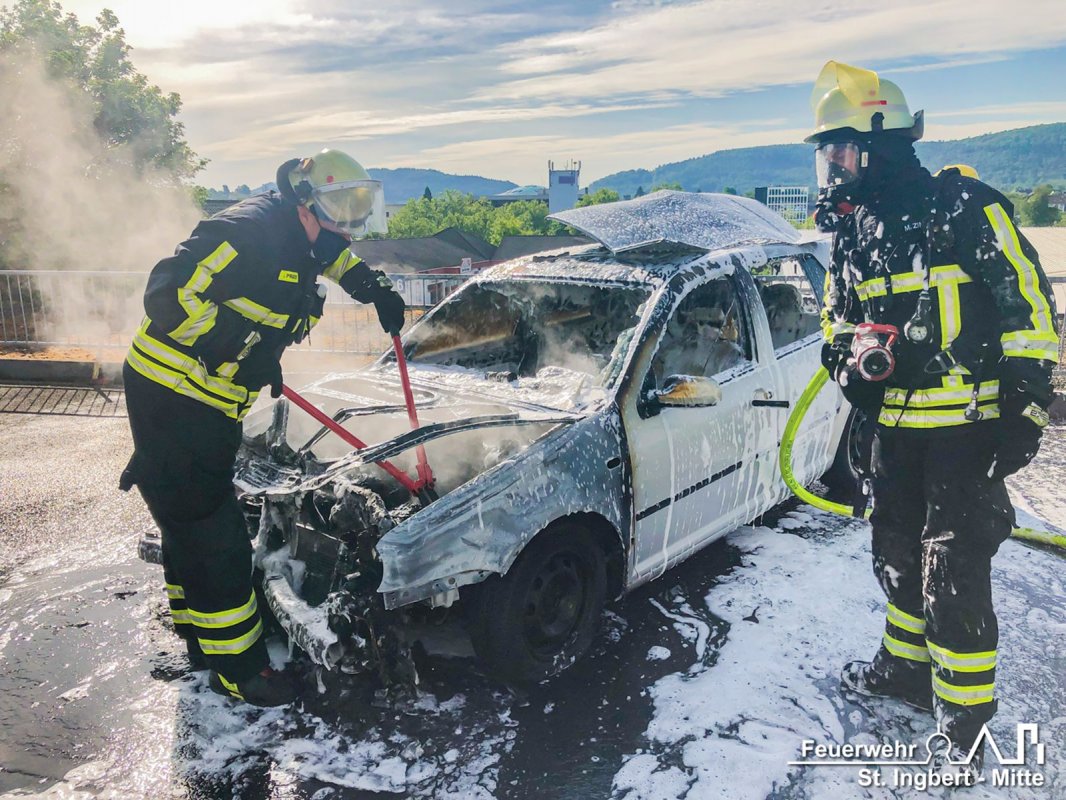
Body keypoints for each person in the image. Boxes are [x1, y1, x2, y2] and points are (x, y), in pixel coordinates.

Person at [810, 61, 1058, 775]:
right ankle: (907, 674)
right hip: (893, 432)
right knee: (894, 557)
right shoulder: (855, 232)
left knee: (953, 572)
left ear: (883, 142)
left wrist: (1026, 410)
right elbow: (835, 321)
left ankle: (965, 726)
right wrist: (849, 371)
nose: (833, 166)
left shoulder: (963, 209)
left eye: (843, 150)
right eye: (827, 152)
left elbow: (1030, 308)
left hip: (966, 433)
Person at [119, 148, 406, 707]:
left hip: (213, 397)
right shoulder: (247, 232)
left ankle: (196, 631)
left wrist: (374, 290)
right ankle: (239, 670)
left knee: (188, 515)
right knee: (218, 539)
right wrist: (234, 345)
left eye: (354, 215)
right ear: (304, 204)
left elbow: (333, 256)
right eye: (336, 215)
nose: (343, 232)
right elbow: (167, 291)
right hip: (173, 394)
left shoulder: (308, 235)